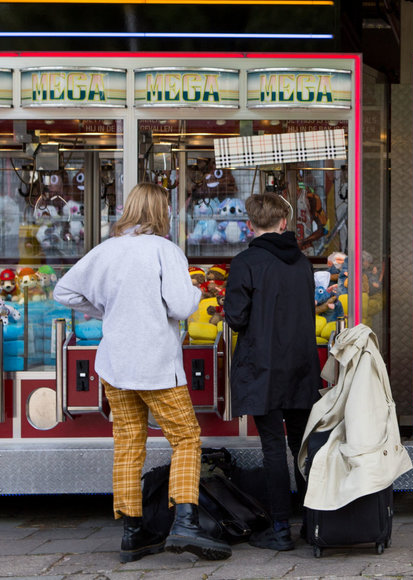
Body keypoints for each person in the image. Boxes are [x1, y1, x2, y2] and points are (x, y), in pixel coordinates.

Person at [53, 182, 231, 563]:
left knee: (128, 444)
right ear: (160, 212)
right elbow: (183, 307)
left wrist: (107, 310)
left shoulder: (105, 251)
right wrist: (199, 293)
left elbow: (64, 292)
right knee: (186, 438)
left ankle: (133, 534)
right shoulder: (164, 250)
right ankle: (185, 521)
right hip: (155, 364)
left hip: (115, 363)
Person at [223, 192, 322, 551]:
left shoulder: (245, 262)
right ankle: (314, 523)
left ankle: (280, 528)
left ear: (250, 225)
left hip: (262, 369)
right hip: (300, 366)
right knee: (302, 447)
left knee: (273, 449)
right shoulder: (303, 264)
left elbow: (236, 318)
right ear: (284, 223)